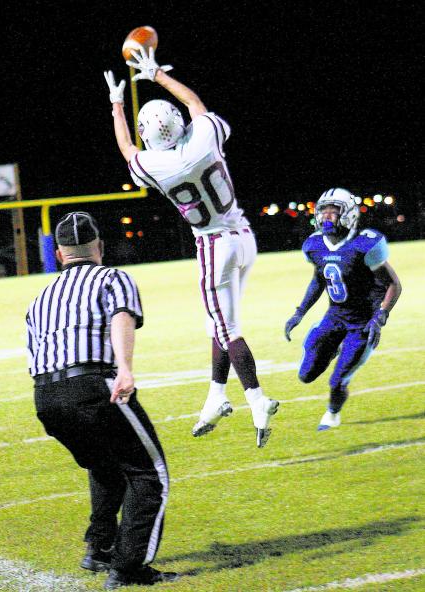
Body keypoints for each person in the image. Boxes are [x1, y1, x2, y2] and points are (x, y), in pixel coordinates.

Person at [103, 47, 279, 449]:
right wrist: (157, 76)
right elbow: (196, 103)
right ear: (179, 124)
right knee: (215, 324)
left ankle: (256, 398)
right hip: (244, 236)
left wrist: (116, 105)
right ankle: (217, 397)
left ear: (151, 135)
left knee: (226, 327)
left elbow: (127, 149)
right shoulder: (203, 135)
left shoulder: (154, 166)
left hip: (214, 247)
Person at [25, 211, 179, 590]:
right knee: (149, 474)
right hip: (94, 386)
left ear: (59, 254)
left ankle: (99, 547)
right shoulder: (112, 277)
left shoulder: (40, 297)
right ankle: (128, 569)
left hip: (45, 395)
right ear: (100, 247)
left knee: (105, 466)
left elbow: (33, 353)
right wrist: (124, 367)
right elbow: (121, 315)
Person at [284, 188, 402, 430]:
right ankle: (335, 347)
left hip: (363, 323)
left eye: (333, 211)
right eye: (323, 211)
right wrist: (299, 312)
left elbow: (393, 284)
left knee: (337, 380)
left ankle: (332, 413)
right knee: (305, 375)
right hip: (334, 317)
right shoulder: (315, 245)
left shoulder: (364, 243)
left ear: (347, 214)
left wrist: (380, 317)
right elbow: (320, 279)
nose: (326, 216)